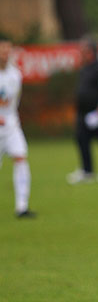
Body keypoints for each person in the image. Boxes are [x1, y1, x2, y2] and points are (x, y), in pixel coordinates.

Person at [67, 40, 98, 185]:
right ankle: (87, 170)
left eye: (84, 51)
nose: (82, 54)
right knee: (82, 140)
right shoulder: (84, 69)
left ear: (91, 52)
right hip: (84, 113)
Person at [0, 35, 34, 218]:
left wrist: (10, 119)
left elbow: (12, 103)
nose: (5, 54)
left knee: (21, 158)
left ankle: (22, 206)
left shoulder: (15, 74)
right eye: (2, 50)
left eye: (8, 50)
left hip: (11, 125)